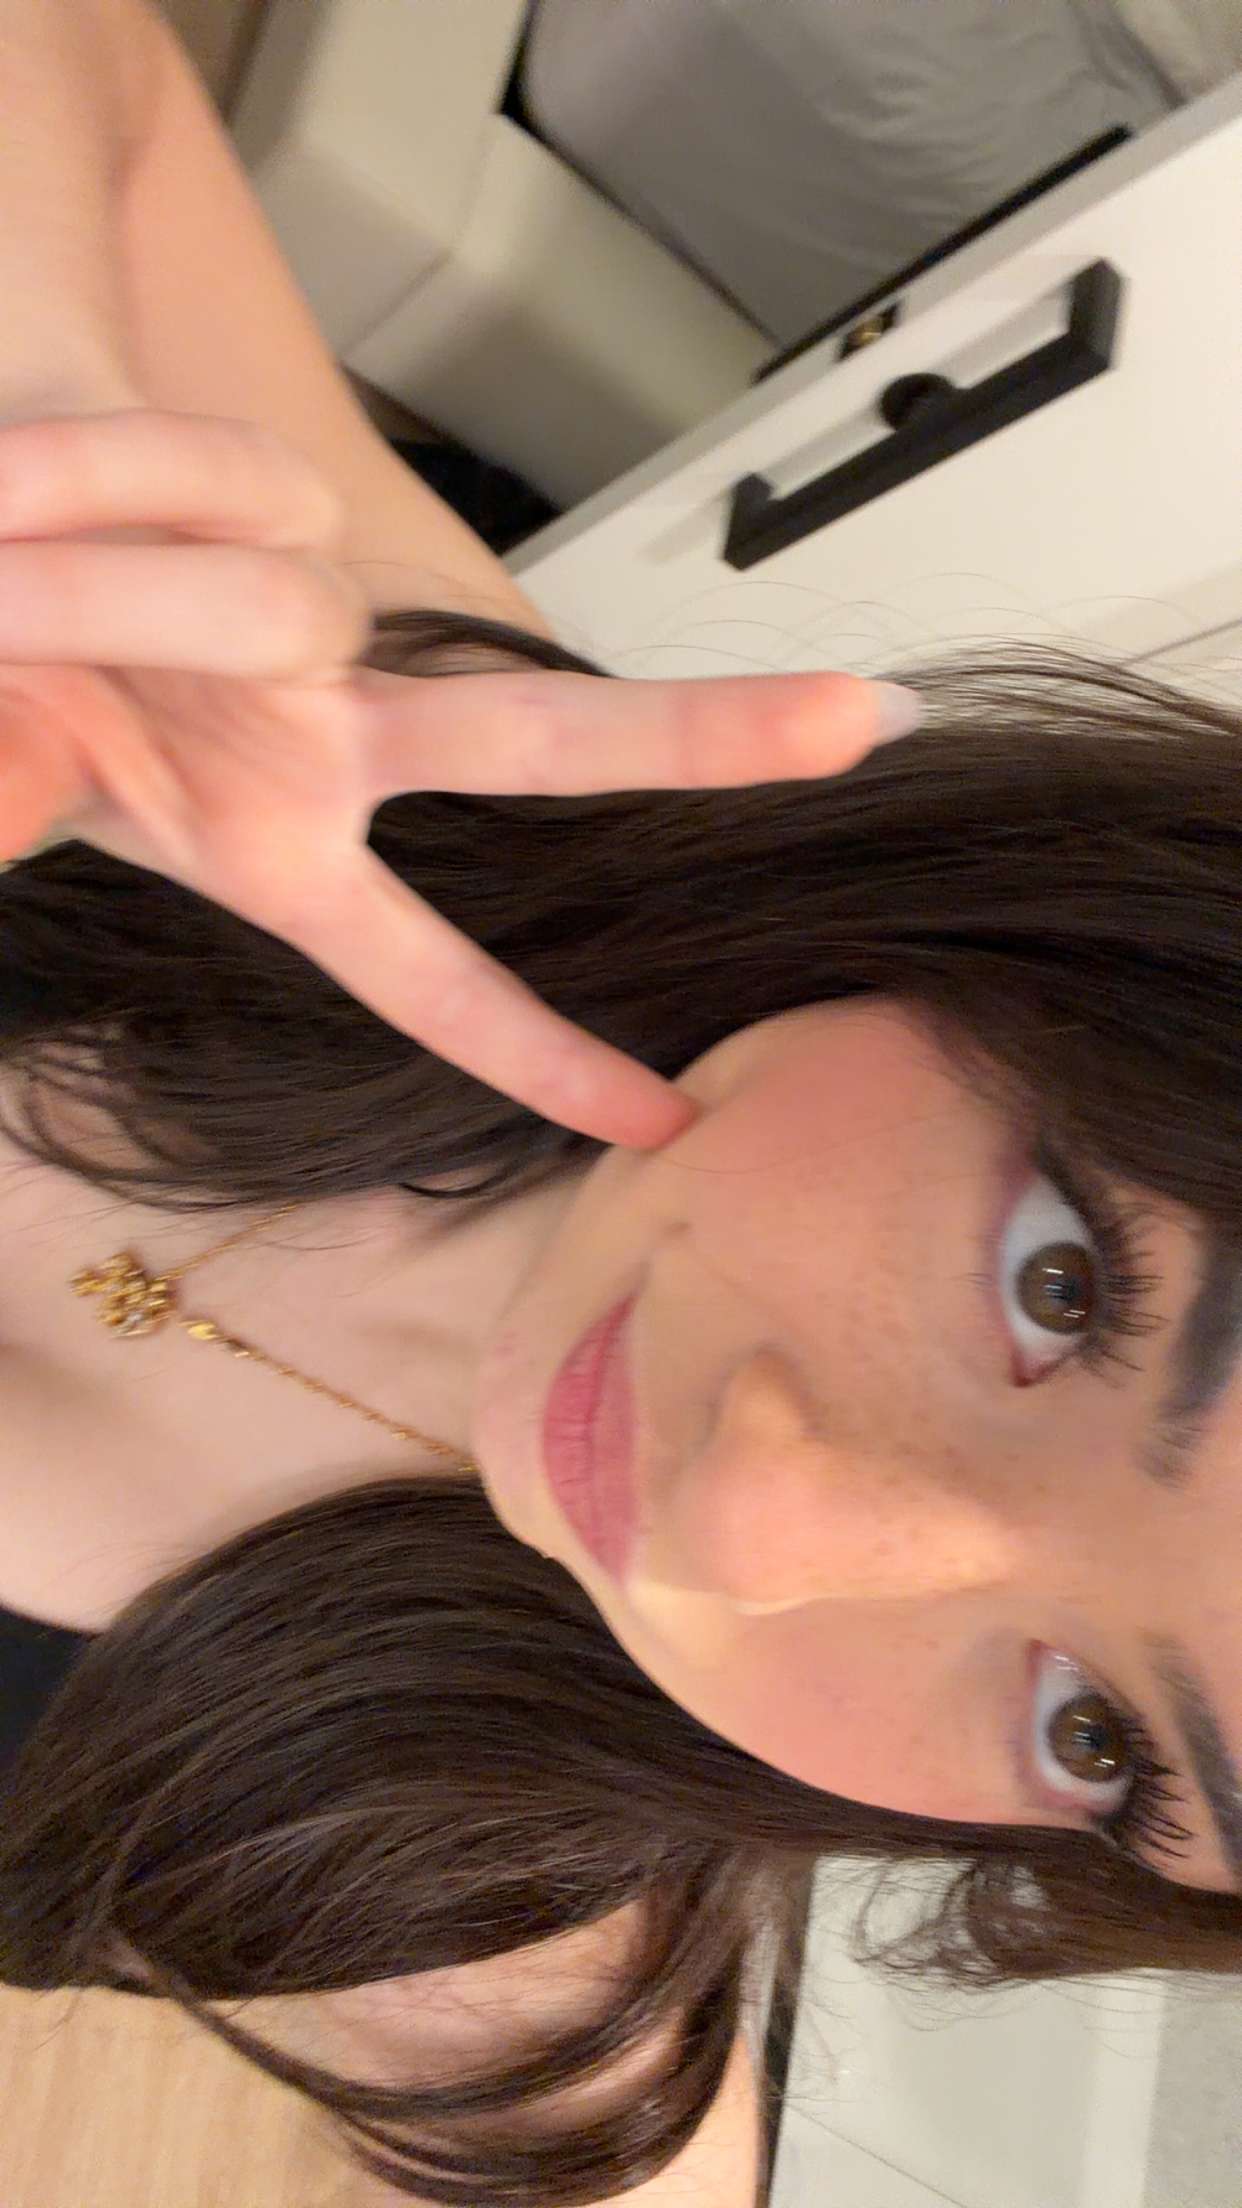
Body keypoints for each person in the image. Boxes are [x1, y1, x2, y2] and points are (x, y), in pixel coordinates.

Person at [1, 4, 1240, 2206]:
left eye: (1093, 1737)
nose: (755, 1532)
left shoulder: (461, 1918)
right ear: (1092, 952)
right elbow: (87, 82)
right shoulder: (419, 770)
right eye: (1063, 1288)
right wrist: (44, 424)